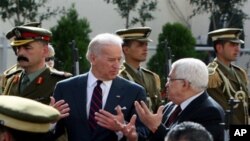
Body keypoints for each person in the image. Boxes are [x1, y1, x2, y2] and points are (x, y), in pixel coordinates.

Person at [52, 33, 149, 141]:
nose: (117, 65)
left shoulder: (134, 92)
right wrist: (51, 121)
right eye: (111, 60)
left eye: (119, 59)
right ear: (93, 58)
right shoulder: (65, 88)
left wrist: (123, 129)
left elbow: (143, 135)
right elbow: (52, 135)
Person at [134, 58, 225, 141]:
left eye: (170, 79)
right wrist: (134, 137)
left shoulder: (210, 112)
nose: (166, 85)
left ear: (185, 84)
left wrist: (156, 127)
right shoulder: (170, 106)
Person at [1, 25, 72, 104]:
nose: (20, 53)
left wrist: (51, 114)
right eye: (18, 48)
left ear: (45, 51)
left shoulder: (59, 82)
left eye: (27, 48)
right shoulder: (11, 79)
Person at [207, 28, 250, 125]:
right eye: (232, 45)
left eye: (238, 44)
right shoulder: (212, 75)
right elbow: (224, 111)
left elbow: (246, 101)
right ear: (219, 48)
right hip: (227, 131)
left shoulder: (239, 72)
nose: (237, 49)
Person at [116, 27, 162, 112]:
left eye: (146, 44)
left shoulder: (151, 77)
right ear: (126, 49)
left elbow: (158, 108)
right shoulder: (118, 77)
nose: (145, 48)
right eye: (140, 45)